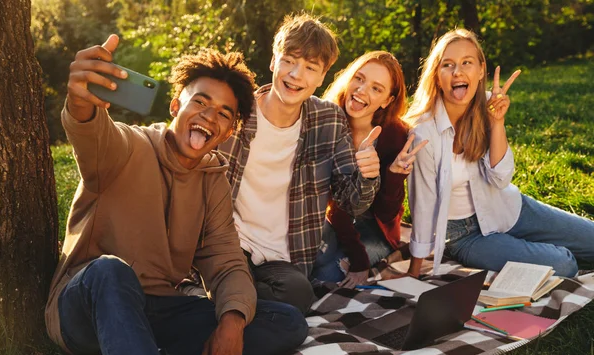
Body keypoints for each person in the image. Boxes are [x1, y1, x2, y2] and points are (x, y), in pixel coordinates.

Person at [45, 34, 308, 355]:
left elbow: (227, 262)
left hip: (159, 310)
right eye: (200, 102)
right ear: (174, 105)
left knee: (287, 320)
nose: (208, 116)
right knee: (111, 270)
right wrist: (81, 103)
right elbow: (92, 135)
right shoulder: (128, 146)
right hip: (88, 303)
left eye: (223, 113)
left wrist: (232, 321)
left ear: (230, 130)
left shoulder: (213, 179)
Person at [218, 13, 381, 314]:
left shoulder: (329, 119)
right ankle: (231, 301)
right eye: (289, 60)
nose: (296, 74)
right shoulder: (236, 112)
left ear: (322, 78)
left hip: (285, 259)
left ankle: (232, 306)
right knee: (236, 290)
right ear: (273, 61)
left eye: (310, 68)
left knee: (298, 298)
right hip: (230, 246)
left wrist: (368, 175)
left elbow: (352, 201)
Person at [405, 28, 594, 278]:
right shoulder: (423, 132)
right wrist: (413, 272)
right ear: (436, 75)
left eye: (466, 63)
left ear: (481, 69)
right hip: (464, 236)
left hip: (509, 208)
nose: (457, 72)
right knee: (563, 264)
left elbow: (501, 178)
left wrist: (497, 123)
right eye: (447, 65)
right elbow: (423, 204)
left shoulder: (487, 105)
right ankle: (544, 252)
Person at [312, 51, 427, 287]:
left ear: (386, 100)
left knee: (329, 276)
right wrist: (358, 258)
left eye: (376, 88)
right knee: (314, 260)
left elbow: (386, 214)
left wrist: (394, 175)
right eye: (359, 79)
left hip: (375, 230)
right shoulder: (329, 122)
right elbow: (335, 206)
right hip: (335, 221)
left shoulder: (394, 136)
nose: (362, 90)